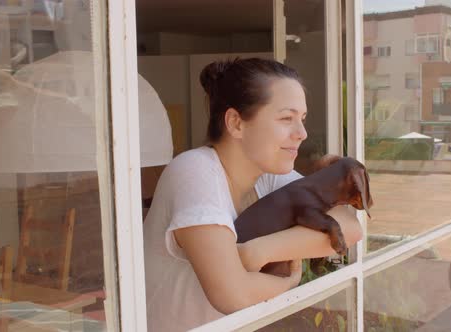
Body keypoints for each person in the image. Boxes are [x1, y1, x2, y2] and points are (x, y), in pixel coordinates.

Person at [143, 58, 363, 331]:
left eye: (302, 119)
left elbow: (351, 227)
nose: (302, 133)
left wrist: (256, 252)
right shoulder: (194, 171)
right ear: (236, 123)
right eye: (286, 118)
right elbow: (234, 295)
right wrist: (289, 283)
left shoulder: (268, 174)